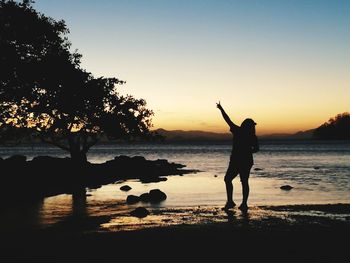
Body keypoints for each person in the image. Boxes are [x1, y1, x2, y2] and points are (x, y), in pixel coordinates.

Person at [216, 101, 259, 211]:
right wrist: (248, 152)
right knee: (244, 181)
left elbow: (228, 120)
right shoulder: (252, 136)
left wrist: (221, 109)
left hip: (236, 160)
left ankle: (231, 201)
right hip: (247, 161)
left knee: (228, 179)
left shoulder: (238, 131)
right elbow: (256, 149)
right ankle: (243, 203)